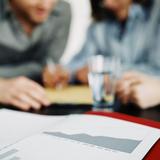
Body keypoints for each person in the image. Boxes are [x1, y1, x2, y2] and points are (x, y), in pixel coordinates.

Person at [0, 0, 71, 110]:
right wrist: (2, 86)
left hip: (35, 101)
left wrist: (49, 73)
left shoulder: (62, 11)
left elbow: (47, 62)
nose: (47, 5)